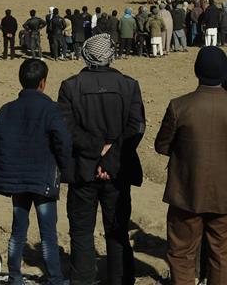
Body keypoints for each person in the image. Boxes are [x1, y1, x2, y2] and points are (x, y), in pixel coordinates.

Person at [155, 47, 227, 285]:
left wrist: (186, 155)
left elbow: (162, 146)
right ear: (225, 73)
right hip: (225, 195)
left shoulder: (179, 106)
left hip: (185, 193)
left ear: (196, 71)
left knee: (181, 254)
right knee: (220, 256)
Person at [58, 34, 145, 285]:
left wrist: (98, 152)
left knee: (82, 232)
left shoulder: (70, 86)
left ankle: (83, 280)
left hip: (83, 170)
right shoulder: (128, 85)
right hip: (117, 171)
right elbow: (136, 127)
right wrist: (108, 154)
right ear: (111, 55)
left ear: (86, 56)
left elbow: (66, 128)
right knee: (117, 230)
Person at [0, 59, 72, 285]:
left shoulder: (8, 109)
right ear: (43, 83)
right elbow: (63, 142)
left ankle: (15, 276)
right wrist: (63, 168)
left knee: (18, 230)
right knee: (48, 234)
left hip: (17, 181)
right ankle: (55, 279)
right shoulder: (50, 109)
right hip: (43, 179)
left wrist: (6, 160)